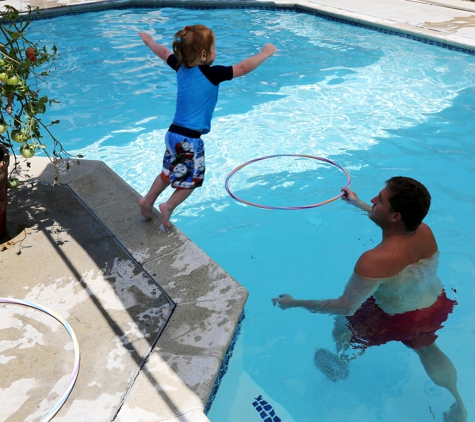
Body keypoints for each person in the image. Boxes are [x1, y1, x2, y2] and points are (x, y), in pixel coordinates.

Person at [272, 176, 466, 422]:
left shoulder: (374, 261)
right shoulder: (424, 231)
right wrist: (360, 204)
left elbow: (345, 306)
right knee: (429, 351)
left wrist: (295, 303)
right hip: (435, 303)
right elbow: (395, 228)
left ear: (395, 215)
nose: (374, 199)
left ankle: (340, 360)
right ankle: (459, 403)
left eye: (380, 200)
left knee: (343, 324)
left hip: (401, 318)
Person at [138, 25, 276, 228]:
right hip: (189, 140)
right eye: (213, 48)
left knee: (168, 173)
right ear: (204, 54)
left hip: (173, 133)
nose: (215, 52)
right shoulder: (212, 74)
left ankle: (147, 199)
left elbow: (164, 52)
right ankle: (168, 206)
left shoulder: (180, 67)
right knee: (192, 181)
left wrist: (149, 41)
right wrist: (265, 53)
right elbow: (242, 68)